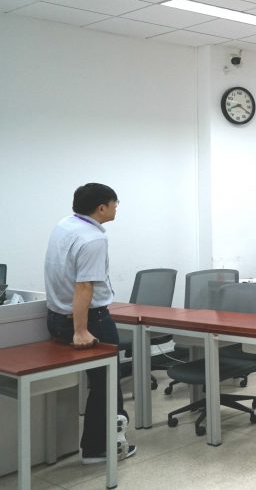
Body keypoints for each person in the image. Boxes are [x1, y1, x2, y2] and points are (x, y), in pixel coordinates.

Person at [44, 183, 136, 463]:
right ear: (101, 207)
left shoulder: (64, 225)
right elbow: (84, 285)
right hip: (89, 320)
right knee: (107, 383)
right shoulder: (93, 239)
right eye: (115, 203)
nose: (117, 207)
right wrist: (81, 330)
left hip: (56, 316)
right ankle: (100, 448)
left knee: (99, 382)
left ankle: (98, 442)